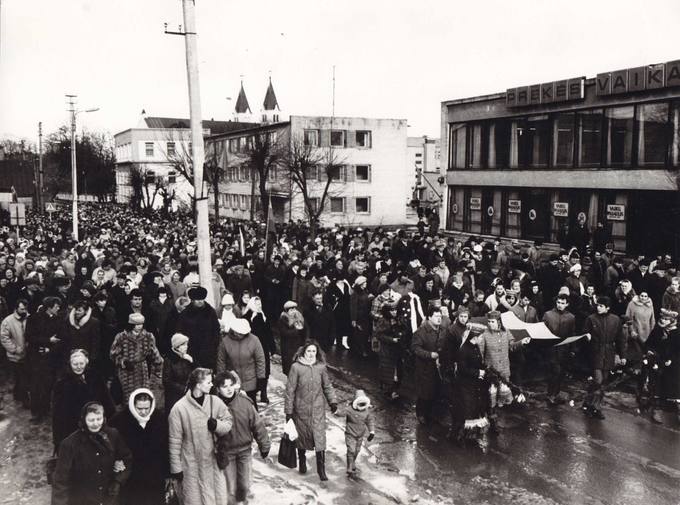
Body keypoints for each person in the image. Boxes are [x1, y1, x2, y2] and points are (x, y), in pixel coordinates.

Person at [168, 368, 233, 505]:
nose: (212, 385)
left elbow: (228, 423)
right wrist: (176, 469)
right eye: (208, 382)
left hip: (212, 462)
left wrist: (217, 426)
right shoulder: (179, 409)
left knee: (217, 499)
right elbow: (174, 441)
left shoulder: (214, 401)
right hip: (190, 465)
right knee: (194, 499)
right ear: (198, 384)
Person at [51, 402, 132, 505]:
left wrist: (118, 480)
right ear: (83, 420)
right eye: (91, 420)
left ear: (104, 418)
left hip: (108, 499)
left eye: (99, 419)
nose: (95, 423)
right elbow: (61, 481)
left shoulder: (113, 435)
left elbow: (127, 458)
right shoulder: (69, 445)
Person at [214, 371, 271, 505]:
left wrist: (264, 446)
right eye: (224, 386)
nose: (229, 389)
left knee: (244, 485)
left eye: (231, 385)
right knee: (231, 488)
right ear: (217, 389)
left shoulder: (244, 403)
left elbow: (257, 425)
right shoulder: (213, 405)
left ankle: (241, 500)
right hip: (226, 453)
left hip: (244, 451)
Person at [284, 341, 337, 481]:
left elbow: (327, 386)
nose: (311, 354)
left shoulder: (321, 367)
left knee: (320, 438)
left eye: (314, 351)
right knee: (302, 437)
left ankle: (321, 469)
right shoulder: (296, 368)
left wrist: (333, 402)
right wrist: (288, 411)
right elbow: (290, 390)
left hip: (318, 409)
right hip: (300, 409)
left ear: (317, 353)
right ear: (303, 352)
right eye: (309, 351)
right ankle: (302, 460)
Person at [109, 388, 169, 505]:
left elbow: (165, 447)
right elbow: (109, 444)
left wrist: (167, 473)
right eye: (139, 408)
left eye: (147, 408)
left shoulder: (159, 418)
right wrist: (115, 461)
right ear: (132, 405)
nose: (143, 412)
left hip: (154, 474)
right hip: (131, 475)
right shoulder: (119, 420)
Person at [52, 349, 115, 452]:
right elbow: (58, 414)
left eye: (81, 363)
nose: (79, 367)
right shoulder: (62, 382)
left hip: (96, 420)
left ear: (87, 361)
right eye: (75, 364)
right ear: (70, 363)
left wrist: (112, 418)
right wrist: (58, 441)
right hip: (74, 424)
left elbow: (107, 399)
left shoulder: (95, 376)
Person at [582, 295, 626, 420]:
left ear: (608, 308)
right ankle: (596, 407)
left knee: (603, 382)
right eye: (597, 305)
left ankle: (589, 402)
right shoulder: (591, 318)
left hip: (609, 353)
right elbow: (584, 332)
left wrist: (622, 355)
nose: (598, 308)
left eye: (601, 306)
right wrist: (587, 336)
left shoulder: (615, 320)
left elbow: (620, 339)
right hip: (595, 353)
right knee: (598, 380)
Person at [25, 296, 63, 423]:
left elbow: (62, 339)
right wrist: (47, 341)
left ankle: (45, 409)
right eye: (56, 306)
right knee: (36, 386)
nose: (59, 308)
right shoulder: (34, 319)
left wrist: (50, 349)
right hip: (36, 358)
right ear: (49, 307)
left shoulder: (59, 320)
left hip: (51, 359)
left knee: (48, 385)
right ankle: (36, 413)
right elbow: (29, 337)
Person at [110, 313, 163, 402]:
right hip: (126, 371)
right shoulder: (121, 337)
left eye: (141, 324)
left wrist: (159, 368)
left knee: (143, 394)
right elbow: (113, 354)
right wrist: (123, 362)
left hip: (142, 369)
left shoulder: (148, 336)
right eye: (137, 324)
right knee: (128, 396)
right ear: (131, 325)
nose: (139, 326)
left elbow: (155, 353)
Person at [216, 317, 266, 407]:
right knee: (234, 406)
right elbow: (221, 361)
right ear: (234, 331)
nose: (242, 335)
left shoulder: (254, 340)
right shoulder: (225, 341)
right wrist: (221, 378)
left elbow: (260, 360)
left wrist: (261, 378)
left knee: (251, 405)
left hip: (251, 380)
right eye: (240, 333)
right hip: (232, 381)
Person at [411, 305, 446, 425]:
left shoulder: (442, 330)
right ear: (429, 317)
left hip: (438, 367)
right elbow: (415, 348)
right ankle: (421, 414)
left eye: (440, 316)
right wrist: (429, 355)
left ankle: (431, 414)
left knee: (436, 391)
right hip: (424, 368)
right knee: (424, 392)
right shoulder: (421, 332)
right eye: (436, 316)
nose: (439, 319)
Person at [646, 309, 680, 424]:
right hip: (658, 362)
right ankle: (656, 410)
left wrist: (672, 359)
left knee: (674, 388)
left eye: (667, 319)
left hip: (673, 365)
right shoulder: (657, 331)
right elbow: (648, 344)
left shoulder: (677, 333)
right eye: (663, 318)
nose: (664, 321)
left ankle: (678, 412)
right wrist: (650, 352)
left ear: (672, 321)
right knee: (657, 386)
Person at [542, 294, 576, 405]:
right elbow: (542, 331)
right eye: (558, 302)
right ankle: (550, 394)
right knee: (554, 372)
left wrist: (572, 349)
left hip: (564, 350)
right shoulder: (548, 315)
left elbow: (572, 334)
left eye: (562, 303)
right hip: (551, 349)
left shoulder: (571, 317)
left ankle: (555, 393)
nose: (560, 305)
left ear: (567, 304)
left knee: (561, 373)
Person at [175, 286, 221, 369]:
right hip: (192, 349)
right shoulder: (185, 314)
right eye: (197, 300)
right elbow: (180, 330)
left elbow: (216, 329)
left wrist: (214, 344)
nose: (200, 302)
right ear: (192, 300)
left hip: (208, 349)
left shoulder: (210, 312)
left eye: (202, 299)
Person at [241, 295, 276, 404]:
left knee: (265, 370)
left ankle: (263, 393)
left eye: (260, 304)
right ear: (251, 304)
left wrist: (272, 347)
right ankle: (253, 392)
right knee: (253, 370)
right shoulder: (246, 317)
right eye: (257, 304)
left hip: (263, 347)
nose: (259, 306)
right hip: (251, 348)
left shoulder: (263, 316)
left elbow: (269, 333)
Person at [0, 299, 30, 409]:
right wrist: (14, 349)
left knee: (23, 377)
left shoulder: (29, 318)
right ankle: (24, 400)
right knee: (20, 377)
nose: (24, 311)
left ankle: (18, 394)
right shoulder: (7, 321)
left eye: (26, 309)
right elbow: (4, 338)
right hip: (15, 356)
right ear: (16, 308)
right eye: (22, 309)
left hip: (27, 354)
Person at [375, 304, 406, 400]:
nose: (394, 312)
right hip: (386, 350)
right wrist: (392, 339)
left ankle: (394, 389)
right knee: (387, 370)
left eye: (395, 310)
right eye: (392, 311)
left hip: (397, 349)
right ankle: (388, 391)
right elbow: (379, 335)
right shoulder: (383, 320)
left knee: (397, 369)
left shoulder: (397, 319)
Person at [342, 389, 375, 478]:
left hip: (360, 435)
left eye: (363, 404)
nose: (362, 406)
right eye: (360, 404)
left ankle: (352, 462)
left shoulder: (367, 411)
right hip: (350, 434)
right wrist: (336, 410)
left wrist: (371, 432)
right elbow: (342, 413)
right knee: (351, 450)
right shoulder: (349, 410)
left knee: (357, 450)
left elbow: (370, 421)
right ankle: (349, 467)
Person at [162, 333, 196, 416]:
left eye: (187, 344)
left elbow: (197, 372)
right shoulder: (169, 360)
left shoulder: (187, 357)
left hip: (188, 394)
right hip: (174, 397)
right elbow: (166, 380)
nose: (186, 347)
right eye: (183, 345)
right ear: (177, 347)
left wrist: (192, 362)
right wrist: (183, 388)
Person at [276, 301, 308, 375]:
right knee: (290, 368)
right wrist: (296, 330)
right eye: (291, 310)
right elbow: (284, 333)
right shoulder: (283, 319)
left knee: (299, 367)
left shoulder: (300, 317)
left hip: (299, 346)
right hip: (288, 348)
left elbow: (306, 329)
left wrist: (304, 339)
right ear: (287, 311)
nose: (294, 311)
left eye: (294, 309)